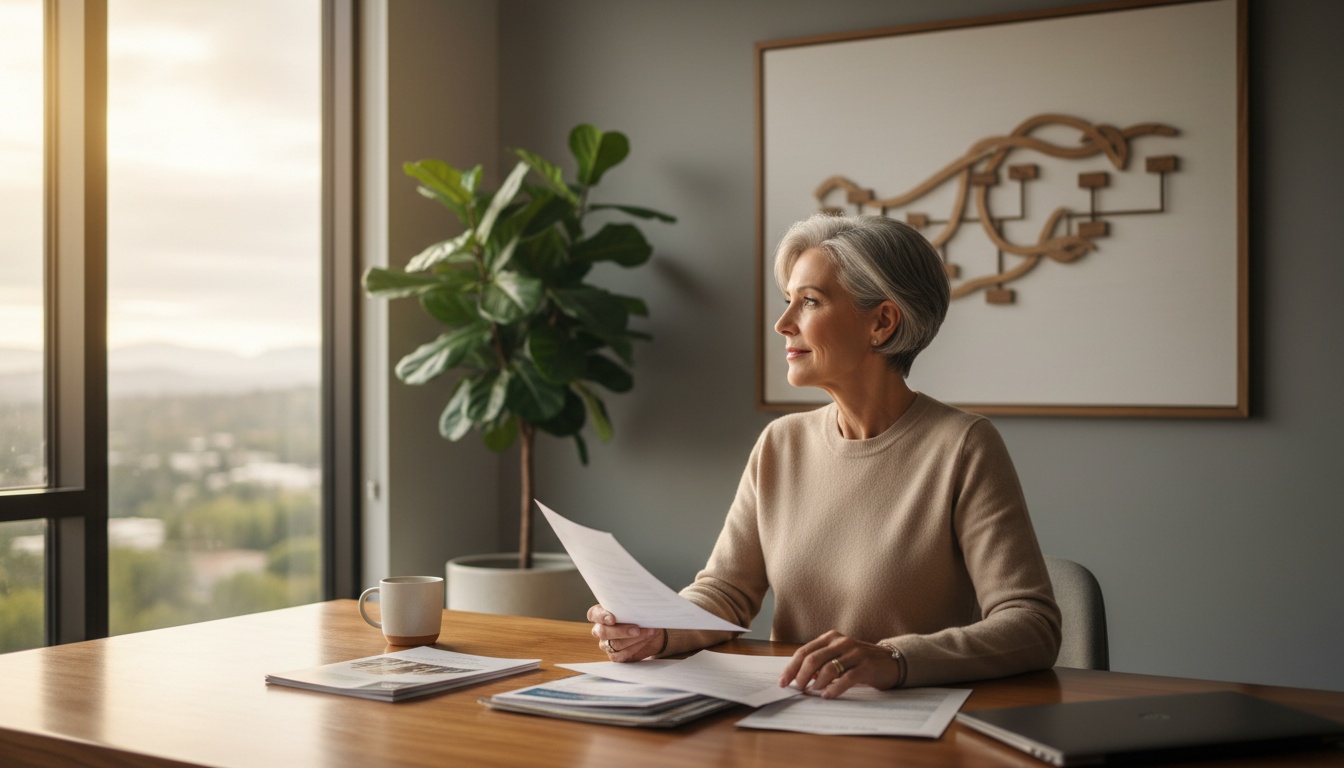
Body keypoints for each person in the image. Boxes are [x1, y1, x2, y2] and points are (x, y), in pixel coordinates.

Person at [587, 213, 1061, 698]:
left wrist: (895, 660)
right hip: (791, 715)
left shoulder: (963, 446)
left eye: (809, 301)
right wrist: (658, 630)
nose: (783, 323)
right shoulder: (780, 444)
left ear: (881, 321)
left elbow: (1031, 626)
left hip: (915, 724)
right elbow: (726, 594)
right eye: (788, 300)